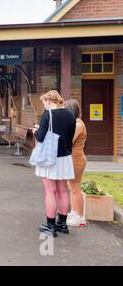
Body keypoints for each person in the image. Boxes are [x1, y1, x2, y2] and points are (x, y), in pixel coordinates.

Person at [32, 90, 76, 237]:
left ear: (50, 100)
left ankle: (50, 226)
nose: (44, 106)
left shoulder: (48, 115)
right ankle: (62, 224)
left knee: (50, 191)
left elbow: (41, 137)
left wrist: (35, 131)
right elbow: (70, 135)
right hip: (65, 157)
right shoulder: (70, 115)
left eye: (44, 102)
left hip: (49, 158)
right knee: (63, 190)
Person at [64, 99, 88, 227]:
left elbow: (69, 140)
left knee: (75, 188)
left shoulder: (78, 124)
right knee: (71, 187)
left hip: (76, 159)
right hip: (72, 159)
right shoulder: (75, 123)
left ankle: (80, 217)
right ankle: (74, 212)